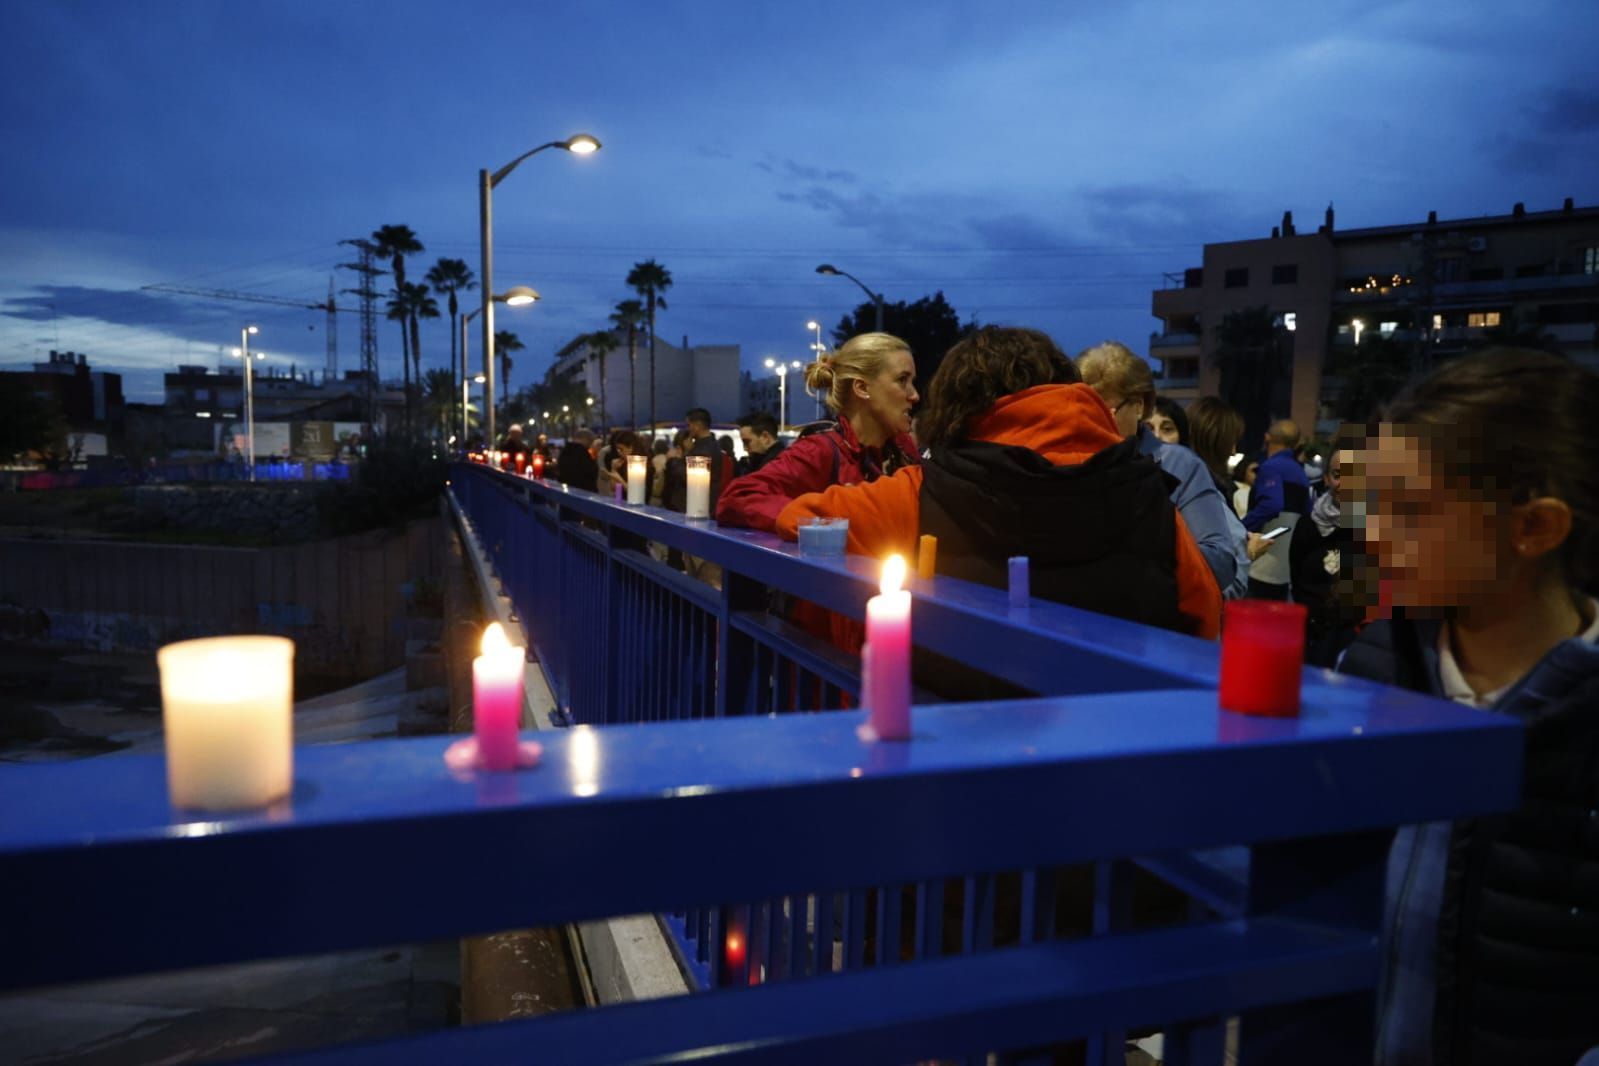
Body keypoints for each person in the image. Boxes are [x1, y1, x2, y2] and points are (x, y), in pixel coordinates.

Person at [1337, 349, 1599, 1066]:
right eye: (1372, 502)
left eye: (1410, 511)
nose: (1374, 534)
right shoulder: (1371, 671)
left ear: (1535, 527)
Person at [775, 327, 1222, 643]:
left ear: (957, 402)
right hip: (1123, 752)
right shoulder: (1153, 497)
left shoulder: (914, 492)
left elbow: (799, 518)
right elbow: (1204, 620)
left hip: (955, 748)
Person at [1076, 342, 1246, 600]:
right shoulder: (1070, 458)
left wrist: (1140, 555)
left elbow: (1221, 560)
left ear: (1140, 406)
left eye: (1106, 411)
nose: (1093, 423)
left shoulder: (1178, 465)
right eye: (1084, 411)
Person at [717, 332, 920, 531]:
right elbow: (737, 498)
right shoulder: (819, 450)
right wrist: (826, 520)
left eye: (912, 382)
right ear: (862, 388)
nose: (915, 395)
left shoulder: (902, 447)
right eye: (902, 380)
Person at [1289, 443, 1355, 666]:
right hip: (1310, 637)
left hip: (1352, 641)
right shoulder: (1307, 526)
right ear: (1326, 478)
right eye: (1338, 475)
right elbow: (1296, 576)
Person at [1241, 419, 1311, 599]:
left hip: (1260, 564)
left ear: (1267, 437)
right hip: (1284, 571)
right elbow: (1306, 515)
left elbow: (1271, 505)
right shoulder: (1300, 473)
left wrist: (1240, 528)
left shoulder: (1271, 467)